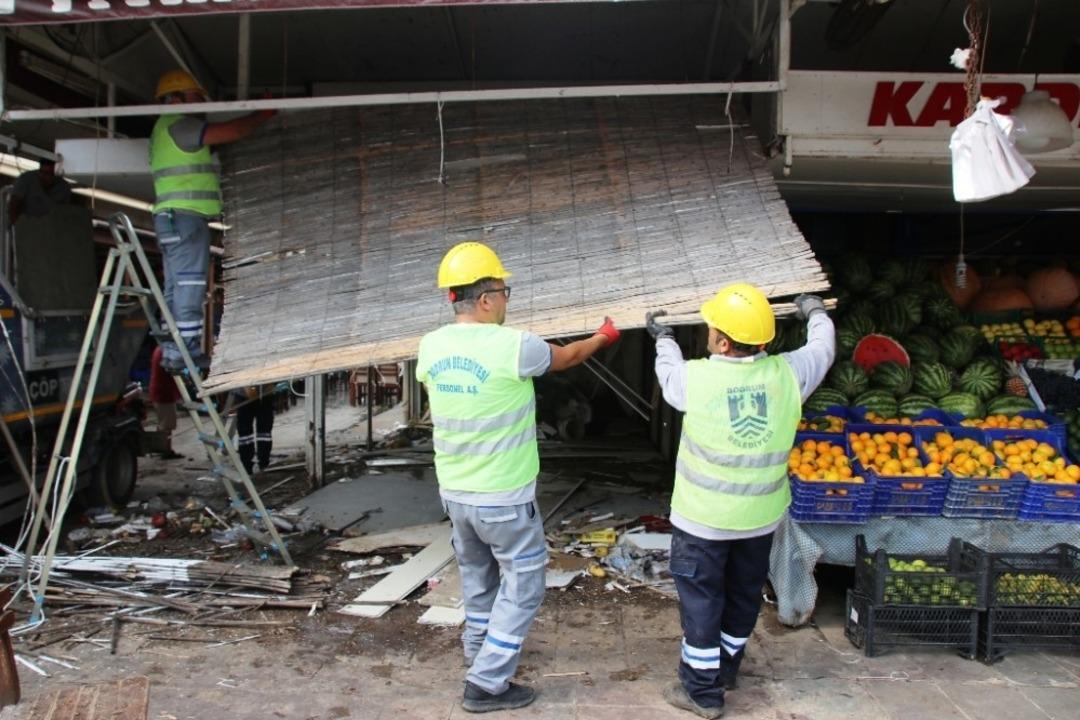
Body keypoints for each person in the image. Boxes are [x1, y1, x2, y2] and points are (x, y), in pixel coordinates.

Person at [416, 241, 620, 714]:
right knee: (525, 581)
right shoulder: (514, 346)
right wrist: (604, 337)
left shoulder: (431, 346)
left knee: (478, 574)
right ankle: (487, 683)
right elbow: (567, 358)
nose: (509, 300)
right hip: (503, 495)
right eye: (504, 291)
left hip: (456, 495)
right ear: (485, 299)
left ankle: (479, 651)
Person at [647, 286, 834, 719]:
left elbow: (668, 370)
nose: (709, 333)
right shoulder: (790, 373)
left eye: (712, 329)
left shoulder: (697, 378)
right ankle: (726, 670)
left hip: (702, 523)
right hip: (759, 521)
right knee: (742, 597)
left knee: (701, 603)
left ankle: (701, 692)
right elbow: (823, 346)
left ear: (723, 342)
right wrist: (815, 310)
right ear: (765, 341)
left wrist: (663, 336)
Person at [149, 69, 275, 373]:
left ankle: (172, 350)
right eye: (194, 96)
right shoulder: (181, 125)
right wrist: (263, 115)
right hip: (185, 219)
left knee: (175, 288)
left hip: (169, 219)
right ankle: (185, 352)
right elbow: (230, 133)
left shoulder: (163, 130)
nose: (200, 102)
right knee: (190, 285)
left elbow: (213, 144)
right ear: (175, 98)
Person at [8, 159, 71, 225]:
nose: (42, 176)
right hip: (26, 225)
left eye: (48, 173)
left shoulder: (64, 188)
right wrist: (16, 225)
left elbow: (63, 213)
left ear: (55, 174)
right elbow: (14, 204)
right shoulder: (26, 179)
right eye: (41, 172)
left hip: (49, 228)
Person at [148, 345, 183, 460]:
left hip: (159, 391)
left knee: (163, 423)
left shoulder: (160, 349)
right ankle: (165, 450)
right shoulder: (166, 352)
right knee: (166, 425)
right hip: (164, 393)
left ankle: (161, 448)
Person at [234, 384, 276, 475]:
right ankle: (247, 466)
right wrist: (247, 387)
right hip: (243, 393)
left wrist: (271, 385)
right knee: (245, 433)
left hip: (266, 393)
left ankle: (264, 463)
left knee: (265, 433)